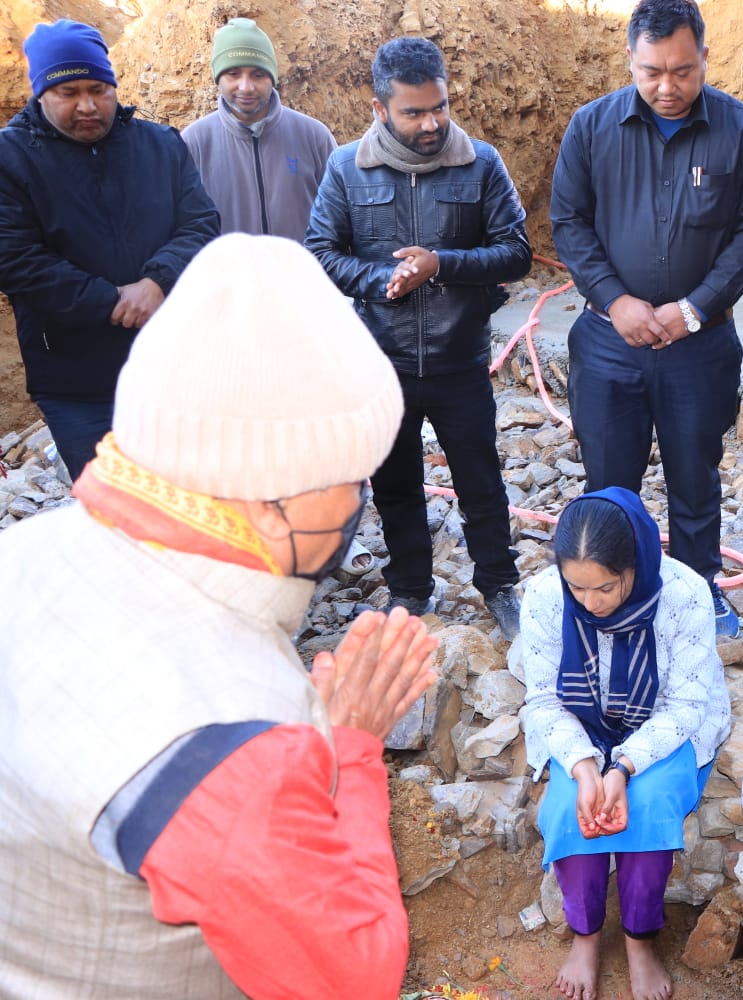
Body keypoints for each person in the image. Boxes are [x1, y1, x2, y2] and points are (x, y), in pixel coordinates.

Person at [0, 233, 437, 997]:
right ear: (268, 503)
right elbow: (351, 978)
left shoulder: (22, 551)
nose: (359, 505)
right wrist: (350, 750)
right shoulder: (235, 742)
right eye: (350, 480)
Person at [550, 0, 743, 639]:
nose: (667, 87)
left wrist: (693, 308)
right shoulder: (591, 128)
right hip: (608, 342)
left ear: (705, 56)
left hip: (699, 347)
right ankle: (610, 596)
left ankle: (697, 591)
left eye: (682, 70)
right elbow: (568, 221)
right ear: (631, 59)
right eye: (651, 72)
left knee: (695, 476)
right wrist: (613, 300)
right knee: (608, 482)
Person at [306, 36, 532, 637]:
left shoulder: (481, 163)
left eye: (440, 107)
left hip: (461, 361)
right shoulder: (346, 168)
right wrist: (384, 280)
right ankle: (410, 589)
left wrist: (441, 265)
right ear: (380, 109)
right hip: (384, 364)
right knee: (395, 486)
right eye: (414, 112)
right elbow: (321, 252)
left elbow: (517, 251)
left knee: (481, 483)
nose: (432, 123)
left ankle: (499, 585)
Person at [516, 487, 731, 1000]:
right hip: (580, 726)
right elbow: (545, 700)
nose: (590, 603)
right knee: (570, 809)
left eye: (606, 587)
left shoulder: (683, 593)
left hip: (664, 725)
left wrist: (624, 766)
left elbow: (685, 704)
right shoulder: (546, 596)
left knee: (648, 807)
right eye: (578, 587)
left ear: (635, 564)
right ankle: (586, 936)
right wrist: (584, 766)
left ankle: (639, 940)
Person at [0, 19, 218, 480]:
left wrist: (157, 281)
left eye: (98, 89)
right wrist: (110, 301)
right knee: (114, 505)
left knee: (193, 493)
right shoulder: (11, 159)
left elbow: (200, 223)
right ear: (41, 93)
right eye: (69, 93)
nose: (87, 105)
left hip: (173, 365)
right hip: (76, 381)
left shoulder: (161, 145)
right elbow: (14, 257)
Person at [182, 17, 337, 239]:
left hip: (301, 263)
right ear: (218, 77)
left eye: (258, 74)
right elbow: (182, 229)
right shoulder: (194, 143)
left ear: (272, 77)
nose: (246, 87)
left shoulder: (314, 137)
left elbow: (339, 222)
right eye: (233, 74)